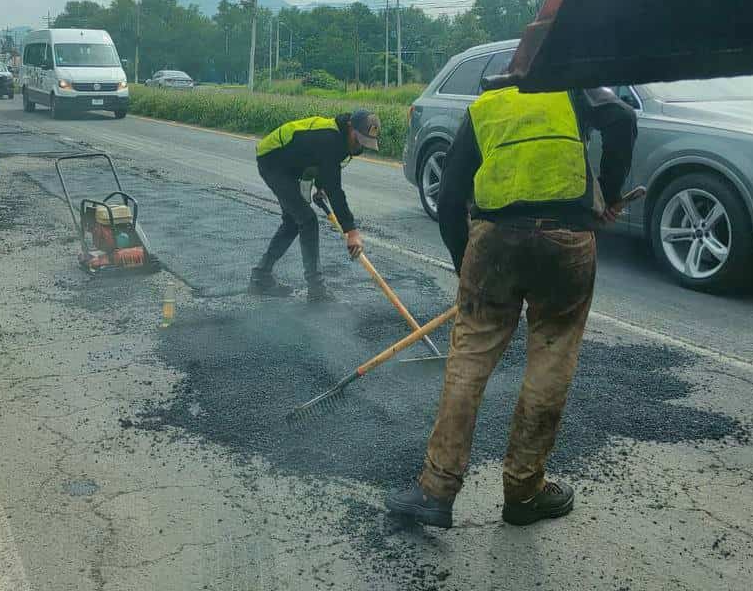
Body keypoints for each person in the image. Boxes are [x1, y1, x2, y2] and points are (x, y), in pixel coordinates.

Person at [386, 80, 636, 528]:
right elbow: (623, 119)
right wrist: (609, 193)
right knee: (551, 359)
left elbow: (448, 200)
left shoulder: (484, 106)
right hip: (567, 239)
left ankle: (435, 490)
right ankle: (523, 492)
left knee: (468, 361)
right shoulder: (572, 90)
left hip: (494, 241)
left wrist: (465, 264)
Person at [250, 109, 381, 303]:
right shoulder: (329, 139)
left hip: (292, 164)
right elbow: (336, 190)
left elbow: (321, 164)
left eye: (366, 142)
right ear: (350, 127)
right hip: (273, 160)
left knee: (294, 222)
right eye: (359, 138)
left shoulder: (342, 140)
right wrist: (351, 232)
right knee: (307, 220)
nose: (360, 145)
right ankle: (316, 288)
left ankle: (261, 277)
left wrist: (320, 187)